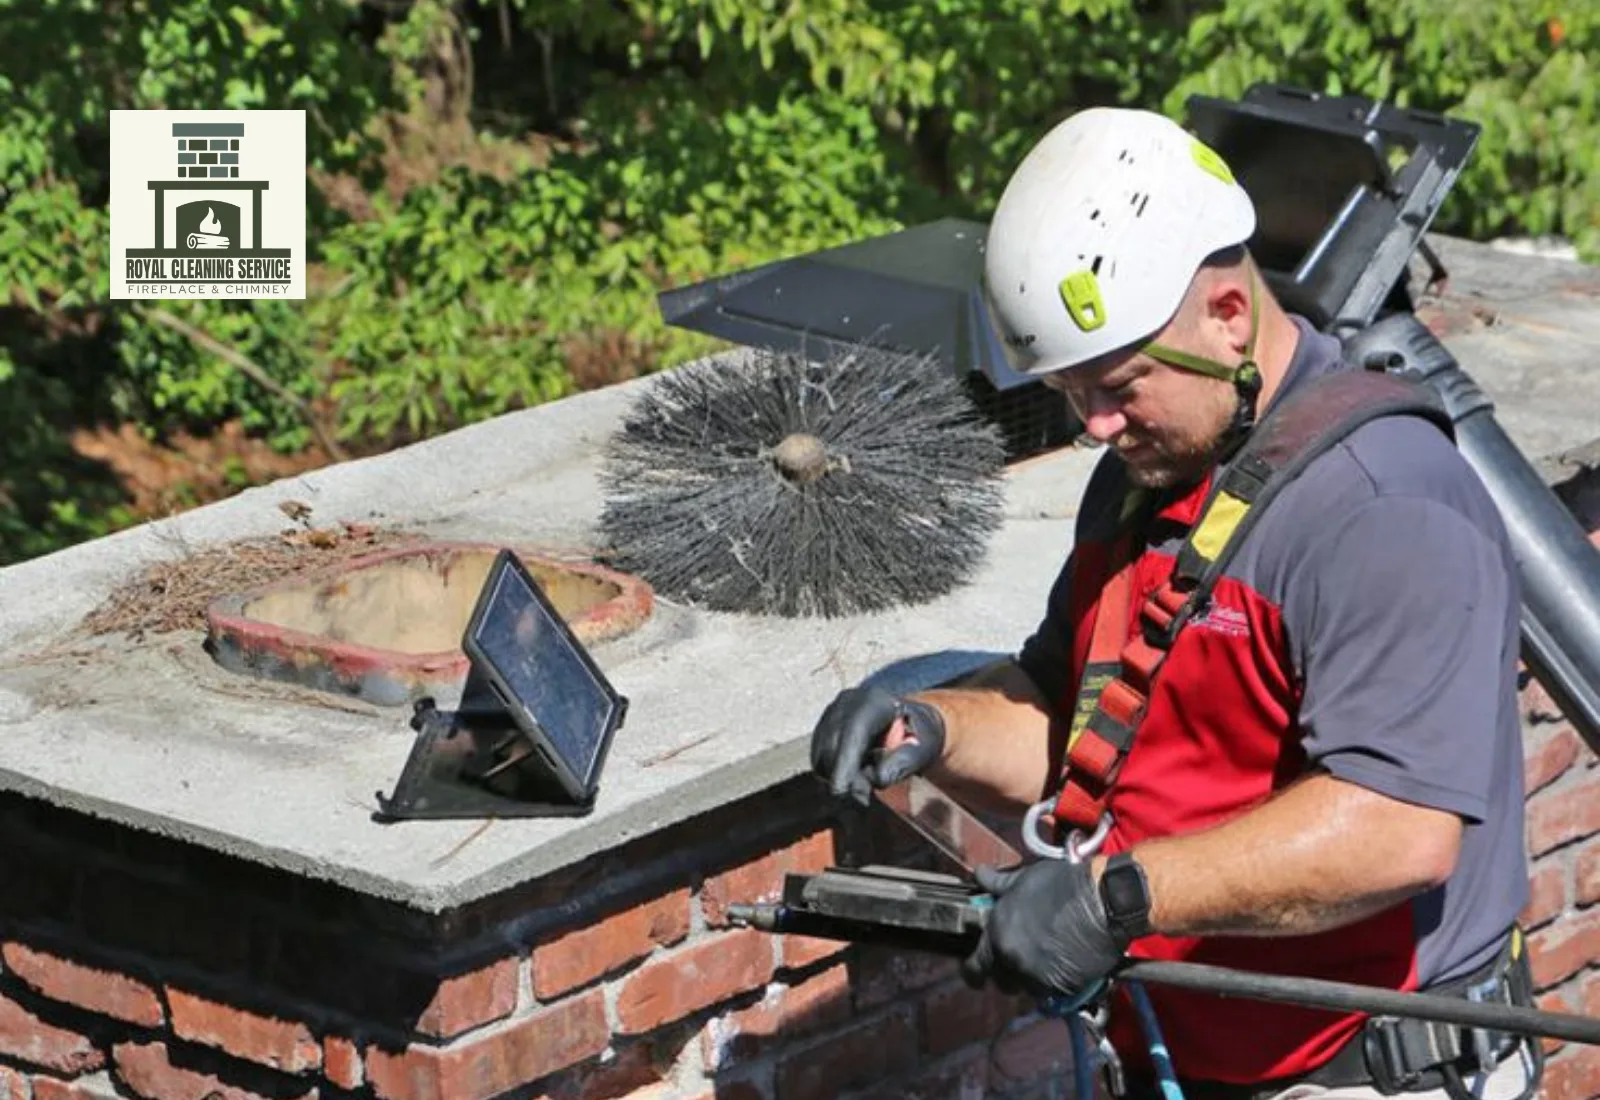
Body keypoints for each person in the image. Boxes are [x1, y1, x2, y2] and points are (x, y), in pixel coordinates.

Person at [810, 108, 1538, 1100]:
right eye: (1071, 393)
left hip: (1368, 1076)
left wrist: (1116, 896)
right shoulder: (1148, 471)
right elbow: (1083, 730)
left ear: (1228, 314)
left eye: (1117, 384)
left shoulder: (1382, 505)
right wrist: (930, 725)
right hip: (1188, 1062)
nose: (1095, 424)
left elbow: (1395, 825)